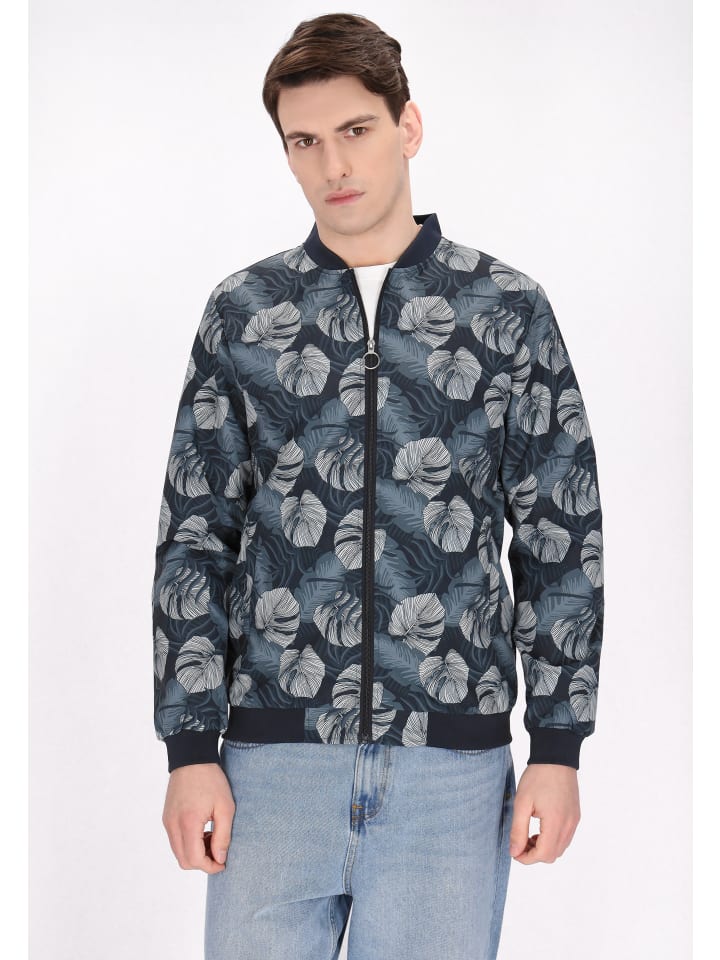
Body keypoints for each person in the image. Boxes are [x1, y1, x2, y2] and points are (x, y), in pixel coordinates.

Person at [152, 12, 605, 959]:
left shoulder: (505, 309)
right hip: (272, 764)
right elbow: (195, 537)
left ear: (409, 126)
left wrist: (558, 748)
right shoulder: (245, 311)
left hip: (451, 773)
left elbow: (560, 538)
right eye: (304, 142)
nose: (333, 164)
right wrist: (191, 750)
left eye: (355, 130)